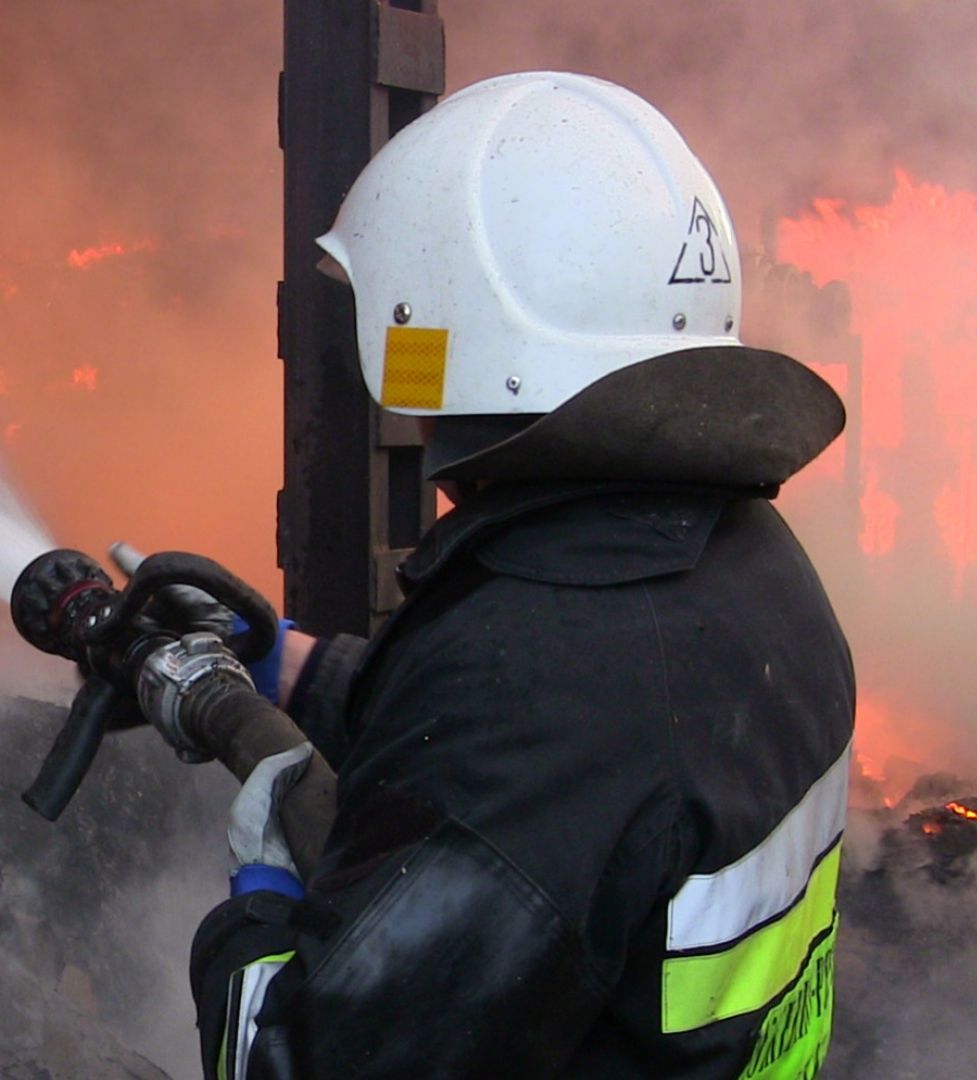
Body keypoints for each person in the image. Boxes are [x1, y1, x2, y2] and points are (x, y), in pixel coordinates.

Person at [164, 72, 855, 1079]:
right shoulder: (751, 567)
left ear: (463, 324)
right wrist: (296, 668)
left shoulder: (544, 684)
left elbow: (296, 1063)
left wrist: (261, 906)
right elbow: (581, 785)